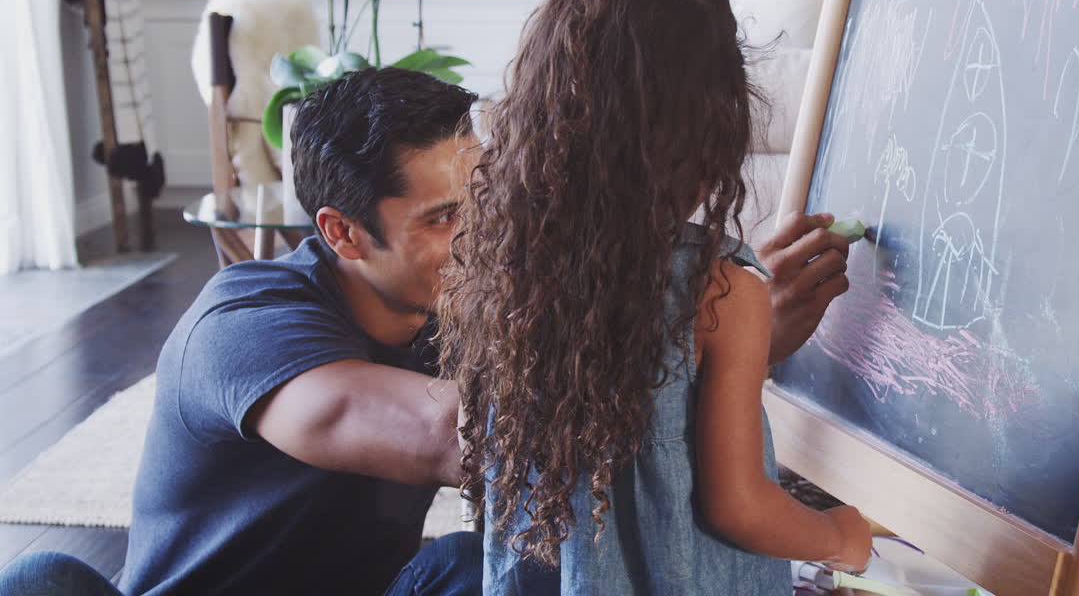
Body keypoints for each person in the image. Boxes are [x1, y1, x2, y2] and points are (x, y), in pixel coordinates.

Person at [0, 63, 851, 594]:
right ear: (341, 233)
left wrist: (727, 331)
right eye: (445, 218)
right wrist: (715, 338)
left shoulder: (467, 307)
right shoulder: (245, 323)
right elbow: (455, 430)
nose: (482, 237)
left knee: (472, 566)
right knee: (43, 581)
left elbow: (604, 414)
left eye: (483, 200)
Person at [436, 0, 872, 596]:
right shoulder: (718, 285)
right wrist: (841, 536)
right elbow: (739, 507)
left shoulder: (516, 267)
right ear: (714, 125)